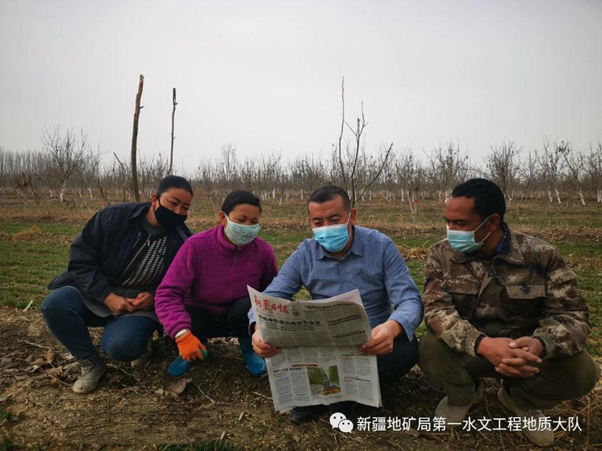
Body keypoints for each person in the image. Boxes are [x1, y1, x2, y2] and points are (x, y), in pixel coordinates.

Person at [419, 178, 600, 447]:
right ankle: (464, 396)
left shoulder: (541, 256)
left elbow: (573, 315)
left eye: (460, 223)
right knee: (430, 349)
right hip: (472, 350)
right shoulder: (441, 255)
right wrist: (482, 344)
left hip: (526, 358)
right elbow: (436, 311)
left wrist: (541, 344)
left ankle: (521, 400)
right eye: (448, 221)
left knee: (583, 371)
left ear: (491, 222)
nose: (451, 230)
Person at [250, 186, 423, 423]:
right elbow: (270, 297)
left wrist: (391, 328)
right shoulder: (305, 253)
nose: (326, 228)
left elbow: (410, 300)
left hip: (368, 340)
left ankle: (340, 397)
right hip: (322, 342)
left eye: (334, 219)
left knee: (406, 349)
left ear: (352, 216)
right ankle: (329, 394)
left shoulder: (380, 246)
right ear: (309, 222)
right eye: (318, 222)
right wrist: (257, 328)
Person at [42, 175, 194, 394]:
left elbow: (180, 283)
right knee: (55, 304)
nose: (179, 212)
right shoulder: (113, 217)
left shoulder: (182, 240)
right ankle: (90, 362)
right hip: (97, 289)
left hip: (139, 303)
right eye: (173, 203)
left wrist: (153, 295)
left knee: (121, 348)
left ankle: (142, 341)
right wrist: (107, 296)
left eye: (185, 208)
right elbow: (81, 260)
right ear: (155, 199)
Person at [155, 190, 278, 378]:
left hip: (240, 318)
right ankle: (193, 345)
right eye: (241, 220)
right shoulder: (196, 246)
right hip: (200, 313)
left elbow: (271, 293)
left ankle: (248, 347)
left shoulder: (263, 252)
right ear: (223, 217)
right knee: (185, 315)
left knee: (247, 304)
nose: (247, 227)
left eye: (253, 222)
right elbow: (168, 293)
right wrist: (181, 333)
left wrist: (262, 331)